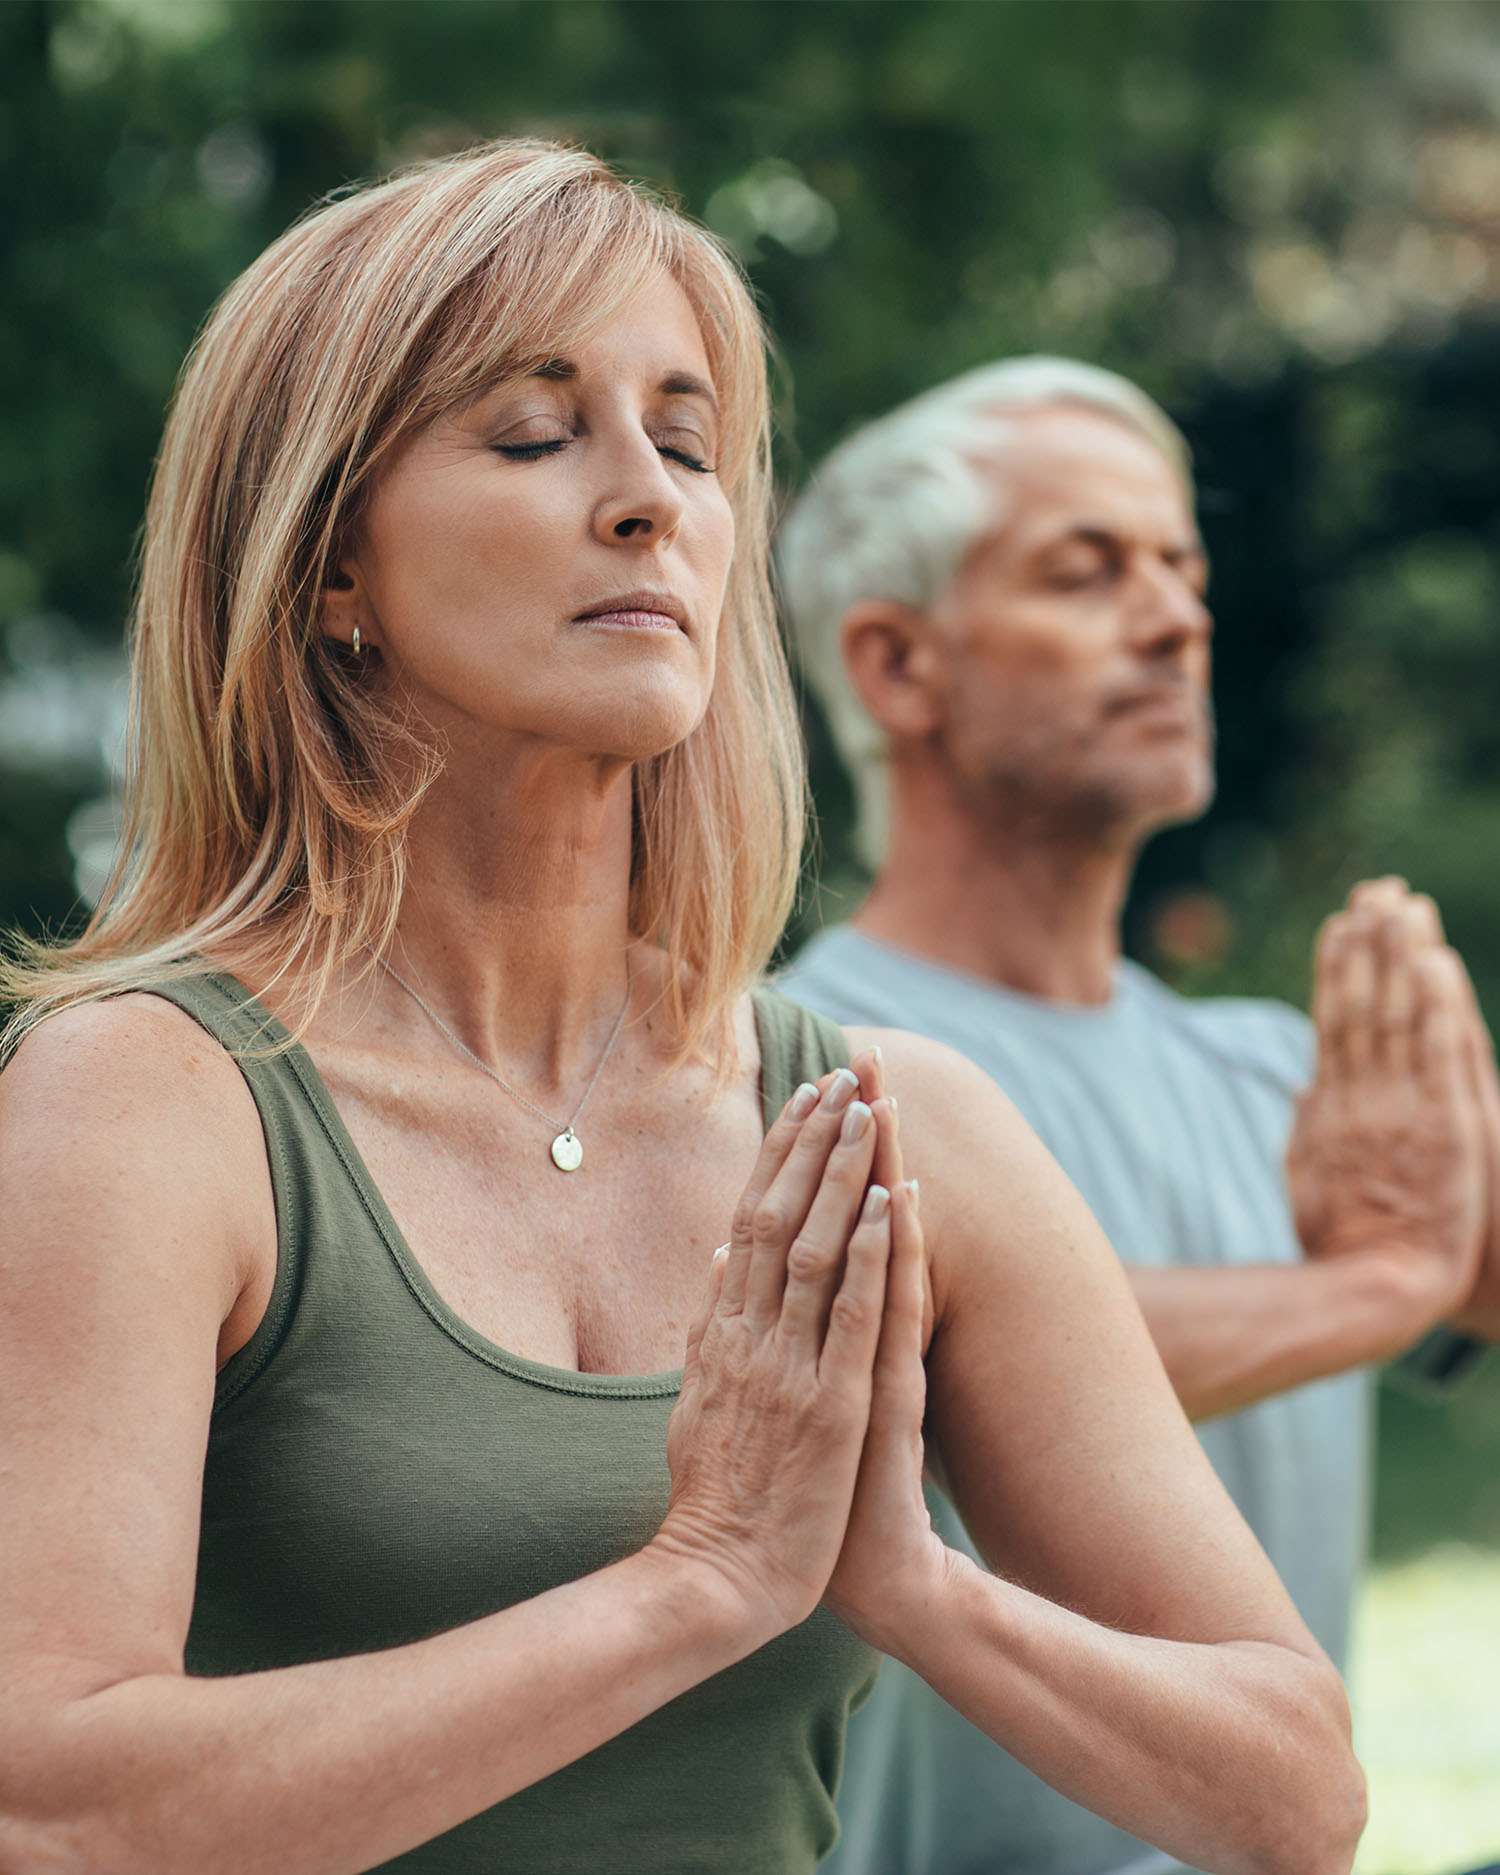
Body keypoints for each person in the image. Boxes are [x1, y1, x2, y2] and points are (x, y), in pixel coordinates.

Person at [0, 148, 1367, 1875]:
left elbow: (1296, 1790)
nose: (649, 497)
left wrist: (914, 1589)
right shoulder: (145, 1096)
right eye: (532, 432)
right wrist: (700, 1584)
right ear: (326, 566)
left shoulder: (887, 1127)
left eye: (691, 441)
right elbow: (47, 1809)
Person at [776, 355, 1500, 1875]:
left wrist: (1458, 1227)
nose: (1179, 619)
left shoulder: (1283, 1075)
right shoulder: (799, 1067)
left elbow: (1455, 1280)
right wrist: (1364, 1290)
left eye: (1182, 568)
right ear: (900, 667)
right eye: (1087, 571)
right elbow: (970, 1357)